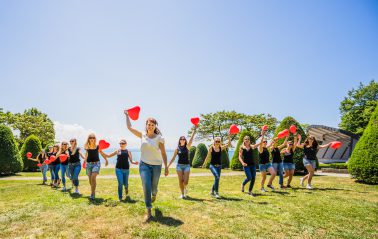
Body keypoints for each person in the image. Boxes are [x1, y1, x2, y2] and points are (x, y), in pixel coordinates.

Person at [125, 111, 168, 222]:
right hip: (144, 165)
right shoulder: (142, 135)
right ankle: (148, 211)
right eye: (148, 124)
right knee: (146, 186)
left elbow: (163, 153)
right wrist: (127, 115)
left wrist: (166, 166)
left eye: (152, 125)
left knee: (153, 187)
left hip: (157, 166)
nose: (150, 126)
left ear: (155, 126)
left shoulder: (159, 138)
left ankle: (154, 194)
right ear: (146, 125)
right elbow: (130, 127)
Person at [167, 127, 197, 199]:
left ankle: (185, 187)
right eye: (181, 139)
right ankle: (182, 194)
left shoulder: (187, 147)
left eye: (184, 139)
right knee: (180, 180)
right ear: (179, 141)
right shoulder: (177, 149)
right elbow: (173, 158)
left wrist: (194, 130)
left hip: (186, 166)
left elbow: (191, 140)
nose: (183, 140)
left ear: (185, 141)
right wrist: (167, 166)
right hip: (179, 166)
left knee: (185, 182)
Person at [84, 133, 109, 200]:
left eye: (93, 138)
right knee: (90, 180)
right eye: (90, 138)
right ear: (88, 139)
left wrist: (106, 160)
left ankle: (92, 194)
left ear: (95, 139)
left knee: (93, 177)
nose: (92, 139)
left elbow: (102, 153)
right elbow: (86, 155)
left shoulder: (98, 147)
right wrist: (84, 162)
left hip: (96, 164)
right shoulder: (87, 147)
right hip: (88, 164)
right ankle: (93, 191)